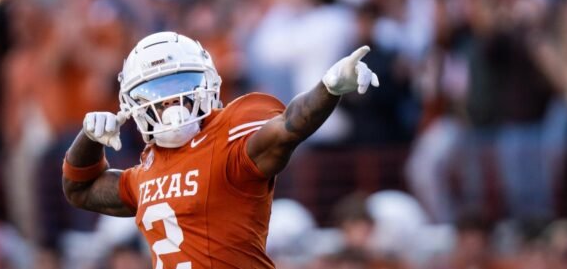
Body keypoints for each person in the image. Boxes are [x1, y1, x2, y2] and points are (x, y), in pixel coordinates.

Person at [61, 31, 379, 269]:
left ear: (205, 85)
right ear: (134, 104)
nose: (170, 102)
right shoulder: (145, 171)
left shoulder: (228, 143)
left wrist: (328, 88)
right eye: (156, 92)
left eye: (180, 87)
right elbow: (80, 189)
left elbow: (288, 127)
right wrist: (88, 138)